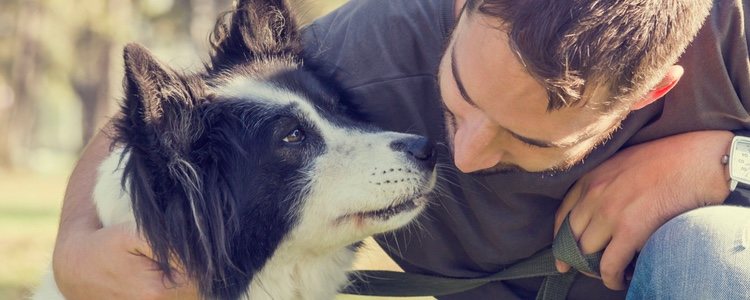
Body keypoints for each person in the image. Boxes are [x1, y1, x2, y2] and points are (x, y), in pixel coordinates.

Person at [52, 0, 750, 299]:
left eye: (524, 139)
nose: (465, 155)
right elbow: (171, 116)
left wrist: (720, 164)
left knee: (707, 251)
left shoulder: (734, 36)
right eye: (458, 99)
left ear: (651, 90)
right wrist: (74, 246)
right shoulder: (372, 49)